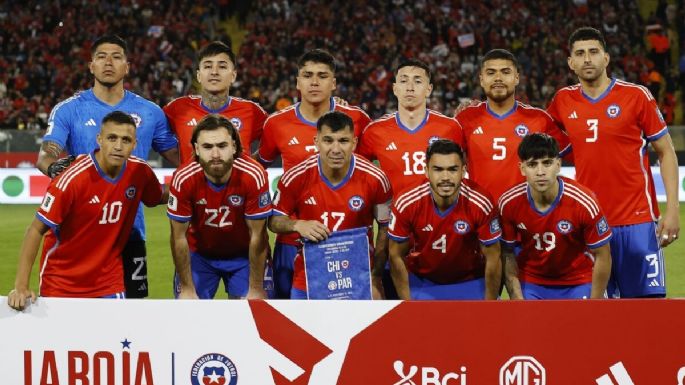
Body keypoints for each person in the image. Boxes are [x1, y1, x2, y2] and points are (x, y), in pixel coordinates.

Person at [36, 35, 179, 299]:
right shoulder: (69, 110)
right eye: (101, 57)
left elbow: (180, 159)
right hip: (78, 233)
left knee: (132, 314)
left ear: (128, 66)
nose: (108, 62)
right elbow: (48, 152)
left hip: (130, 232)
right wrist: (52, 166)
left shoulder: (150, 112)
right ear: (91, 66)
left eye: (116, 56)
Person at [547, 27, 679, 298]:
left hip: (637, 221)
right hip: (589, 224)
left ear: (606, 58)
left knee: (647, 312)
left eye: (593, 52)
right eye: (580, 54)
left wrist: (673, 211)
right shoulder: (562, 101)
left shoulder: (636, 96)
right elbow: (532, 139)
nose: (587, 59)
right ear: (570, 63)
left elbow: (666, 152)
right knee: (597, 318)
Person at [7, 111, 164, 310]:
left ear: (134, 144)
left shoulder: (140, 172)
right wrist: (21, 286)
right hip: (62, 282)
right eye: (111, 138)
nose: (118, 146)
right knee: (63, 342)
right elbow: (35, 230)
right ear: (99, 139)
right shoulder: (71, 180)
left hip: (109, 280)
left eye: (126, 140)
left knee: (113, 339)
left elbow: (158, 196)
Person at [257, 49, 372, 298]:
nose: (314, 82)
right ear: (298, 81)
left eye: (322, 75)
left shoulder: (358, 119)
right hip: (293, 240)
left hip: (348, 242)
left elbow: (373, 172)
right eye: (307, 75)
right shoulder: (277, 123)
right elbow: (256, 170)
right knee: (291, 324)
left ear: (334, 83)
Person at [356, 58, 463, 297]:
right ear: (394, 88)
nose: (410, 87)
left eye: (418, 81)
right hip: (394, 236)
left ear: (429, 88)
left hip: (441, 233)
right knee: (397, 314)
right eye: (403, 81)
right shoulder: (375, 131)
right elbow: (361, 177)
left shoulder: (451, 128)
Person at [268, 111, 392, 299]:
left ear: (354, 143)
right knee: (302, 328)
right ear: (316, 142)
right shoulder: (296, 176)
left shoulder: (376, 178)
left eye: (343, 141)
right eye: (328, 140)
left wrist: (375, 277)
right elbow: (274, 220)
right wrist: (297, 225)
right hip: (309, 277)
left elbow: (385, 226)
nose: (335, 149)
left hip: (359, 278)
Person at [168, 114, 271, 299]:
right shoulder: (183, 178)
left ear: (234, 146)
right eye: (207, 147)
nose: (215, 154)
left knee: (251, 316)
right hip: (200, 256)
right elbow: (178, 237)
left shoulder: (253, 175)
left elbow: (258, 235)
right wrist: (187, 288)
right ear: (196, 149)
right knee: (190, 316)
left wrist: (255, 287)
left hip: (244, 256)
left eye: (222, 146)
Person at [499, 133, 612, 300]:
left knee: (587, 325)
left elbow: (603, 254)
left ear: (558, 165)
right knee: (528, 326)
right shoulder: (508, 203)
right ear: (522, 168)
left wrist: (595, 303)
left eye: (547, 163)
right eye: (532, 165)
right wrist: (517, 298)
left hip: (579, 281)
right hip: (532, 282)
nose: (540, 172)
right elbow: (507, 253)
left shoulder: (584, 202)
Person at [388, 139, 501, 300]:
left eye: (453, 169)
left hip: (470, 281)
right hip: (422, 282)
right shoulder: (406, 203)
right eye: (438, 170)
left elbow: (493, 257)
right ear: (426, 171)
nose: (446, 177)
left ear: (463, 171)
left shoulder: (481, 203)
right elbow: (395, 255)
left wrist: (490, 305)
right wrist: (407, 304)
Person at [456, 49, 569, 201]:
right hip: (481, 215)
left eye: (505, 72)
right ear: (481, 80)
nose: (498, 78)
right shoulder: (464, 118)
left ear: (516, 78)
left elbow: (575, 155)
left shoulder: (539, 119)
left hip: (525, 216)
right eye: (491, 73)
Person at [164, 41, 268, 164]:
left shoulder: (252, 111)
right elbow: (157, 136)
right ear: (198, 76)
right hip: (192, 183)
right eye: (208, 66)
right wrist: (183, 167)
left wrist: (252, 167)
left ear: (233, 76)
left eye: (222, 67)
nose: (214, 72)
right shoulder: (177, 108)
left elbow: (275, 141)